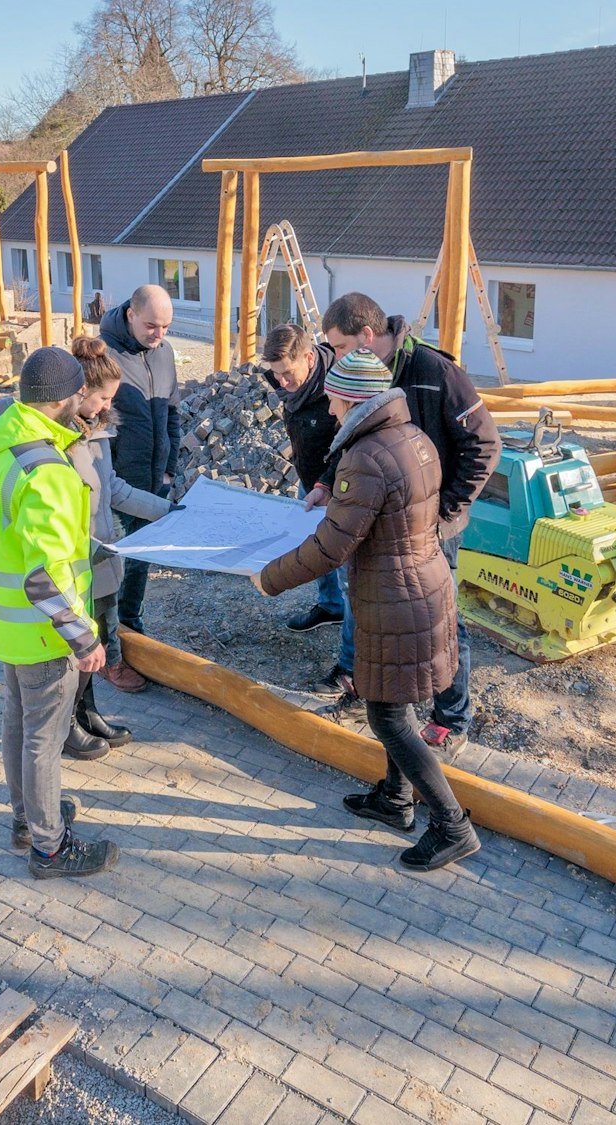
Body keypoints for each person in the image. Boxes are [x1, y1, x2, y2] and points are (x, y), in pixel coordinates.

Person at [253, 349, 482, 872]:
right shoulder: (412, 438)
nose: (330, 409)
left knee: (389, 716)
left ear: (354, 400)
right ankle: (395, 802)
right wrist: (332, 492)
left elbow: (332, 548)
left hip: (394, 600)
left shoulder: (365, 456)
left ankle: (452, 827)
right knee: (395, 705)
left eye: (334, 398)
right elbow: (385, 508)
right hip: (421, 588)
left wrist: (269, 579)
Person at [320, 293, 500, 756]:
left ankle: (450, 718)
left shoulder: (436, 373)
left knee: (440, 620)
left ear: (366, 336)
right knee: (367, 604)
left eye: (338, 347)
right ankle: (367, 688)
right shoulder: (361, 374)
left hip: (431, 526)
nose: (333, 357)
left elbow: (484, 446)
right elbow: (350, 437)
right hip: (380, 524)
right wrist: (326, 481)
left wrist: (444, 512)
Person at [0, 346, 119, 879]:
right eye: (82, 393)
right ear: (67, 397)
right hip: (44, 633)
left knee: (17, 723)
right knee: (43, 740)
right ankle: (51, 848)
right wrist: (84, 638)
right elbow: (44, 575)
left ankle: (27, 819)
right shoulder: (46, 469)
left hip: (4, 623)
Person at [63, 335, 175, 754]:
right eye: (103, 398)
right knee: (77, 650)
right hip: (76, 567)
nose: (108, 406)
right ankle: (67, 725)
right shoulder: (59, 445)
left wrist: (167, 510)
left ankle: (87, 712)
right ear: (79, 393)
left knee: (101, 644)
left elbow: (114, 490)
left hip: (103, 559)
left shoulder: (98, 436)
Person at [257, 324, 355, 699]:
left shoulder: (338, 388)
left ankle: (350, 665)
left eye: (288, 372)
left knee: (349, 572)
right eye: (276, 373)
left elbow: (348, 446)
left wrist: (328, 485)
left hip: (341, 488)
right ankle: (329, 606)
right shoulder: (289, 382)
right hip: (311, 479)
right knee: (315, 549)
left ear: (310, 358)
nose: (281, 382)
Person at [100, 283, 180, 686]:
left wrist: (170, 469)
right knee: (111, 571)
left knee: (139, 566)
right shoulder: (103, 356)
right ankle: (111, 654)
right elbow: (93, 425)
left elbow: (172, 414)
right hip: (116, 486)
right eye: (152, 325)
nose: (159, 335)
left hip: (153, 483)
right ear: (131, 314)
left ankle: (133, 632)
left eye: (166, 326)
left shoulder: (164, 353)